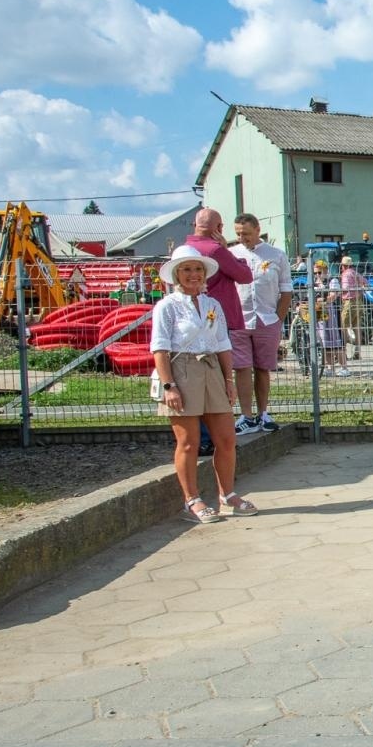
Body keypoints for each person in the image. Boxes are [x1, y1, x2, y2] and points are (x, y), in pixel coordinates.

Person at [150, 245, 257, 524]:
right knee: (189, 442)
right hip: (182, 369)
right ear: (176, 274)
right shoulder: (167, 306)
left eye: (197, 269)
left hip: (211, 368)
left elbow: (222, 343)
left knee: (226, 438)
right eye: (186, 269)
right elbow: (159, 348)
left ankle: (228, 494)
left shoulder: (213, 305)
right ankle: (192, 500)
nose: (193, 275)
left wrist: (228, 379)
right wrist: (168, 386)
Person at [186, 209, 252, 457]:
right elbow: (245, 276)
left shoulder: (185, 249)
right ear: (219, 228)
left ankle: (202, 437)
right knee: (219, 381)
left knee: (198, 380)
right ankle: (214, 437)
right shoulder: (215, 251)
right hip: (218, 320)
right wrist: (231, 252)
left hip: (192, 323)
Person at [229, 213, 293, 435]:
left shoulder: (276, 255)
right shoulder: (231, 254)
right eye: (238, 234)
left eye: (245, 233)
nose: (242, 238)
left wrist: (278, 319)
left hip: (267, 319)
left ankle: (263, 413)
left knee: (263, 367)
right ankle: (246, 416)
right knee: (242, 367)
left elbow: (286, 290)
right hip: (239, 320)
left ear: (257, 230)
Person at [339, 255, 364, 361]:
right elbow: (365, 282)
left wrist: (338, 292)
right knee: (357, 327)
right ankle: (357, 351)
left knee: (343, 327)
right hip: (358, 301)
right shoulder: (356, 273)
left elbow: (345, 288)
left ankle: (343, 352)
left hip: (349, 301)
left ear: (343, 266)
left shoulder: (345, 274)